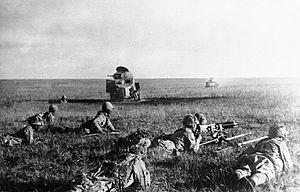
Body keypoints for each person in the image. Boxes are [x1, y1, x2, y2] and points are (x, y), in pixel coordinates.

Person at [66, 135, 151, 192]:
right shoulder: (137, 162)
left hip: (97, 181)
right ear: (142, 149)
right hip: (106, 186)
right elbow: (144, 186)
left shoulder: (118, 156)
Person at [233, 123, 293, 189]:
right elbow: (286, 159)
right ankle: (253, 181)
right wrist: (288, 171)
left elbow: (251, 149)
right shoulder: (280, 143)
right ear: (282, 136)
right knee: (265, 172)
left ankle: (239, 173)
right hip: (268, 161)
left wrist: (241, 158)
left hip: (254, 156)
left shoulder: (263, 141)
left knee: (247, 167)